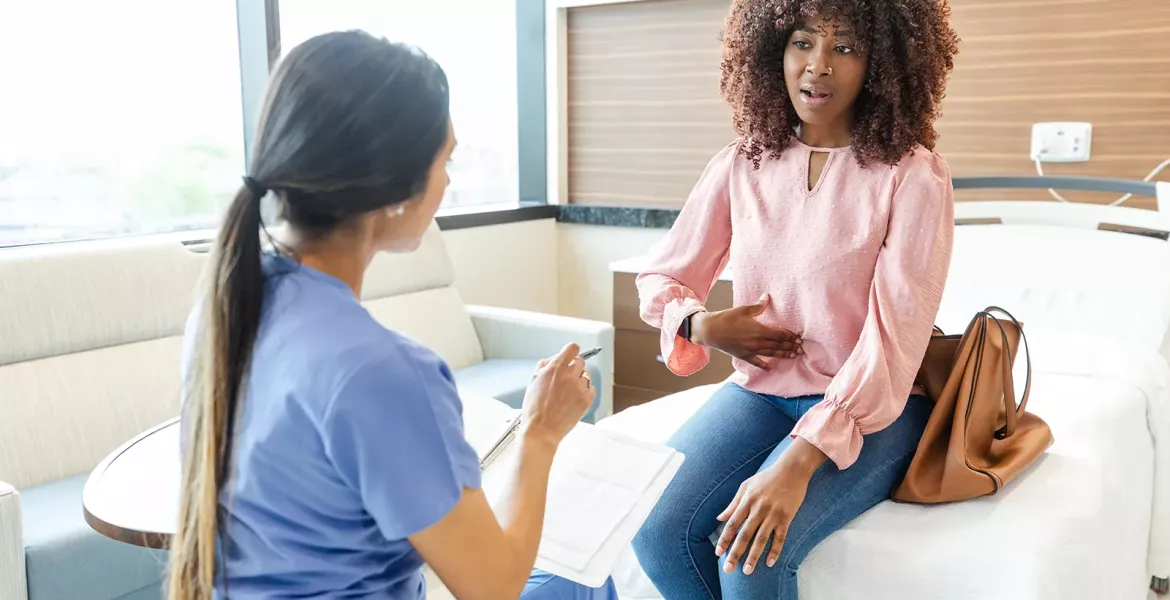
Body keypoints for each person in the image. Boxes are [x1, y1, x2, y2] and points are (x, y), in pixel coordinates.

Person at [166, 30, 617, 600]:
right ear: (395, 188)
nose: (449, 180)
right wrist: (542, 433)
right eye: (444, 159)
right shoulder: (382, 370)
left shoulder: (226, 307)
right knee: (583, 582)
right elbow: (493, 587)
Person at [630, 1, 961, 598]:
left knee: (745, 558)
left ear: (883, 65)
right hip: (762, 393)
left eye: (847, 48)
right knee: (654, 527)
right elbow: (660, 280)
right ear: (773, 51)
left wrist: (797, 461)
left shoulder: (912, 175)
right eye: (804, 43)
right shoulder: (741, 164)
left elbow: (895, 339)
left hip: (874, 409)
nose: (819, 66)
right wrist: (700, 326)